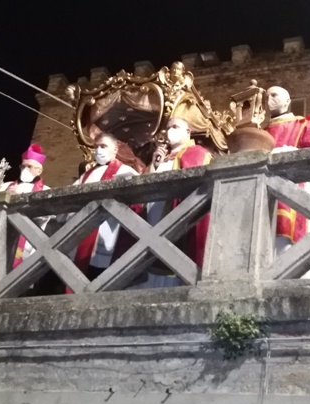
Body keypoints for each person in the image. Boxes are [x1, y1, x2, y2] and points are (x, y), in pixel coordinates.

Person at [265, 87, 310, 277]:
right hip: (263, 196)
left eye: (274, 95)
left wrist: (282, 153)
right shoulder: (261, 132)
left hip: (291, 195)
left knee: (286, 250)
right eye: (266, 96)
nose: (269, 99)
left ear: (288, 101)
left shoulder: (304, 125)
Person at [140, 117, 213, 288]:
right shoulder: (160, 158)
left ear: (188, 132)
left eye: (175, 127)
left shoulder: (198, 153)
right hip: (152, 221)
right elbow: (143, 189)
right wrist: (154, 165)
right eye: (168, 128)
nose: (169, 131)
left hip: (180, 224)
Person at [71, 134, 139, 278]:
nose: (98, 150)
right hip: (84, 237)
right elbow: (70, 198)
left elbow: (136, 202)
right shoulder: (86, 175)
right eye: (96, 147)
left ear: (115, 149)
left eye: (103, 146)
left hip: (109, 237)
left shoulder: (126, 172)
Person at [0, 144, 52, 267]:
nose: (24, 169)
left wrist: (20, 199)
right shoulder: (5, 186)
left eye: (29, 166)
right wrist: (4, 196)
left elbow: (43, 216)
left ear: (39, 170)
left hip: (27, 243)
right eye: (22, 166)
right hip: (2, 235)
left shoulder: (46, 190)